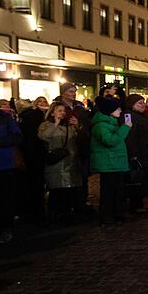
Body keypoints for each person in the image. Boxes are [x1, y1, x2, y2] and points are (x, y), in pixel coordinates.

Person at [90, 96, 132, 226]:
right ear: (109, 111)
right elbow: (111, 141)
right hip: (108, 164)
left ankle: (116, 214)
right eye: (117, 108)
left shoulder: (111, 123)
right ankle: (107, 217)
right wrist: (125, 128)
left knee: (117, 191)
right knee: (108, 192)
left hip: (115, 163)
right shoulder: (101, 126)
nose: (120, 111)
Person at [38, 102, 82, 222]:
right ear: (52, 112)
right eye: (59, 111)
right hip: (56, 165)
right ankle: (56, 215)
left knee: (70, 192)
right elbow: (44, 137)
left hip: (71, 164)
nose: (62, 113)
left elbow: (81, 140)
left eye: (64, 111)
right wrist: (55, 124)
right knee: (57, 192)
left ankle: (69, 214)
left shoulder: (70, 126)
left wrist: (78, 126)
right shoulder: (45, 125)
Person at [57, 83, 92, 213]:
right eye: (70, 91)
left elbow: (86, 123)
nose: (73, 93)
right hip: (66, 144)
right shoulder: (58, 106)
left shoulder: (79, 107)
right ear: (64, 92)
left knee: (82, 176)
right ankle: (67, 205)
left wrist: (79, 125)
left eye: (74, 91)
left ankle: (81, 202)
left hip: (80, 144)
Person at [0, 89, 24, 243]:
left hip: (2, 165)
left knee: (3, 198)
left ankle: (5, 229)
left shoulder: (3, 118)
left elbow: (17, 137)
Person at [122, 94, 148, 212]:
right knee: (136, 179)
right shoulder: (129, 116)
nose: (143, 105)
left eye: (143, 102)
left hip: (144, 153)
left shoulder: (141, 116)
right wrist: (133, 154)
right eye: (139, 103)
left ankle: (138, 204)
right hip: (138, 154)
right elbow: (129, 136)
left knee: (140, 179)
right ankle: (135, 205)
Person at [19, 96, 48, 222]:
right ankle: (36, 212)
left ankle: (33, 211)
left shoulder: (32, 116)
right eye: (39, 102)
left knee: (35, 185)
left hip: (34, 155)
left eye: (44, 102)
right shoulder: (34, 116)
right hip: (34, 155)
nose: (42, 104)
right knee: (36, 185)